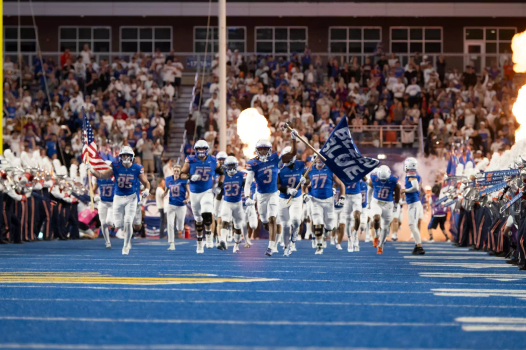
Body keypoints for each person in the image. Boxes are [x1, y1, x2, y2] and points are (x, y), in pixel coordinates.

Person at [88, 146, 151, 255]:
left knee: (128, 221)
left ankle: (126, 246)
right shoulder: (116, 166)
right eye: (123, 155)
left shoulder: (137, 168)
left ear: (132, 157)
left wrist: (147, 190)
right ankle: (125, 235)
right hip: (118, 197)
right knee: (118, 224)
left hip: (131, 197)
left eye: (127, 155)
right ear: (120, 156)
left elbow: (146, 183)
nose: (125, 157)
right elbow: (102, 175)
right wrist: (92, 170)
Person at [244, 133, 297, 257]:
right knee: (264, 221)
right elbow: (248, 182)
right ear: (257, 150)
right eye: (260, 149)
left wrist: (294, 139)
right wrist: (247, 197)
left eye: (265, 149)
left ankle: (271, 246)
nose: (263, 152)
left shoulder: (275, 158)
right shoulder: (253, 163)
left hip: (273, 193)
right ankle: (269, 232)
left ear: (269, 150)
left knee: (272, 218)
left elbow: (293, 153)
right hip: (261, 195)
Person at [180, 139, 224, 253]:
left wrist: (219, 185)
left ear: (207, 150)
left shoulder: (213, 160)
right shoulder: (190, 160)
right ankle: (199, 243)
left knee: (207, 213)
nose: (201, 151)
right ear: (195, 150)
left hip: (207, 191)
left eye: (203, 149)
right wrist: (190, 176)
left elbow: (222, 172)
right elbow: (181, 174)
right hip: (194, 193)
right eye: (199, 149)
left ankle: (209, 236)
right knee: (198, 220)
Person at [305, 153, 345, 255]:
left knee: (330, 226)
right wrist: (304, 194)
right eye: (316, 158)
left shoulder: (330, 169)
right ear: (313, 159)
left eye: (320, 158)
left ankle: (325, 232)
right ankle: (319, 246)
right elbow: (306, 184)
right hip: (315, 200)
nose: (318, 160)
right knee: (317, 223)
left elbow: (341, 184)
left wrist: (342, 197)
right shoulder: (310, 170)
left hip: (328, 200)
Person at [276, 146, 306, 256]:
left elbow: (307, 179)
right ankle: (286, 246)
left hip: (297, 198)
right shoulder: (280, 168)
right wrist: (287, 189)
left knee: (296, 220)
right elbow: (277, 184)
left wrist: (304, 180)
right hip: (284, 199)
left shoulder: (300, 164)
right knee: (285, 225)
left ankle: (293, 239)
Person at [368, 165, 400, 255]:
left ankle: (380, 246)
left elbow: (398, 191)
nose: (383, 182)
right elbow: (370, 190)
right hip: (376, 202)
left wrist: (396, 204)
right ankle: (376, 235)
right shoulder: (374, 177)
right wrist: (368, 202)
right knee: (376, 218)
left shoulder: (394, 180)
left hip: (388, 204)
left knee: (385, 227)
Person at [219, 156, 246, 253]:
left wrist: (248, 197)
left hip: (238, 203)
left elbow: (246, 188)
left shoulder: (241, 175)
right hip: (227, 202)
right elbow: (219, 190)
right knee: (225, 220)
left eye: (232, 166)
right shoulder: (223, 176)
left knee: (237, 226)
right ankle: (222, 240)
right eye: (228, 166)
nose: (230, 168)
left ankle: (236, 244)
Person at [402, 157, 426, 255]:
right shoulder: (417, 175)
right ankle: (417, 245)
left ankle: (419, 246)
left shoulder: (411, 173)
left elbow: (416, 187)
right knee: (412, 224)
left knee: (412, 224)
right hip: (415, 202)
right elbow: (422, 191)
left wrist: (405, 191)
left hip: (414, 203)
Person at [163, 164, 189, 251]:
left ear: (180, 172)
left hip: (181, 205)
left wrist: (188, 199)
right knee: (170, 224)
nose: (176, 172)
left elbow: (189, 192)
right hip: (171, 205)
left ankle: (181, 228)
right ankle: (171, 244)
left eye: (178, 171)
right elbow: (166, 190)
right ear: (173, 171)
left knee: (180, 228)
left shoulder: (183, 180)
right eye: (175, 171)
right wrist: (164, 194)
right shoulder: (168, 179)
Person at [93, 160, 114, 249]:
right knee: (103, 223)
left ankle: (114, 223)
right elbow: (92, 190)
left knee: (109, 221)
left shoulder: (115, 178)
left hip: (112, 203)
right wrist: (94, 196)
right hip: (102, 202)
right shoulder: (99, 178)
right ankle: (107, 242)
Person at [343, 178, 366, 253]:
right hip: (346, 196)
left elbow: (365, 178)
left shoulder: (357, 168)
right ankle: (349, 239)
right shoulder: (344, 169)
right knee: (347, 220)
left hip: (356, 195)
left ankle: (355, 233)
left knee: (357, 215)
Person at [213, 151, 228, 246]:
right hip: (216, 197)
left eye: (223, 159)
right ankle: (219, 238)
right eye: (220, 159)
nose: (222, 161)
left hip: (226, 197)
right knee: (217, 218)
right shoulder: (214, 170)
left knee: (223, 219)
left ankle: (223, 238)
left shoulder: (229, 170)